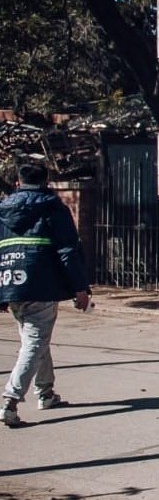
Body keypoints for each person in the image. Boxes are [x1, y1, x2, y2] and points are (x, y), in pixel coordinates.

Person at [0, 162, 92, 427]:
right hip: (41, 284)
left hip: (11, 282)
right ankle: (11, 400)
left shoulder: (3, 210)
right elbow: (68, 251)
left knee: (36, 339)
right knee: (35, 341)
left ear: (18, 182)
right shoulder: (53, 208)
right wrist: (80, 288)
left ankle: (46, 392)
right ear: (47, 181)